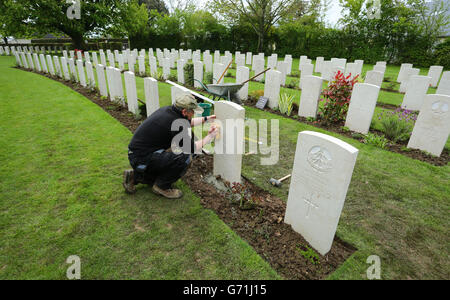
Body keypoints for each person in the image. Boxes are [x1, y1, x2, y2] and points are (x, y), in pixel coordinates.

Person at [123, 93, 218, 199]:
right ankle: (162, 186)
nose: (193, 113)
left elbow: (188, 122)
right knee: (184, 157)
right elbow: (192, 148)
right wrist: (210, 137)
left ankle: (134, 177)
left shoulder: (169, 111)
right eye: (192, 111)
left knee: (173, 153)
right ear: (184, 111)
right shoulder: (176, 122)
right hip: (142, 157)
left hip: (138, 154)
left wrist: (207, 119)